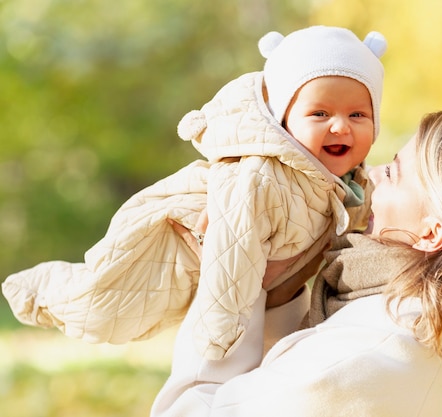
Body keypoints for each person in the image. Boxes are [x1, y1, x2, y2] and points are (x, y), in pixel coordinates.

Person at [151, 110, 442, 417]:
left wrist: (224, 284)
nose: (373, 174)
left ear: (432, 231)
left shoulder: (363, 356)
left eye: (395, 174)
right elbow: (294, 373)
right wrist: (277, 291)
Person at [1, 26, 387, 360]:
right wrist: (218, 336)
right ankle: (39, 289)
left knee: (125, 318)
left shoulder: (349, 184)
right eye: (320, 114)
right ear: (283, 120)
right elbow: (231, 250)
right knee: (101, 306)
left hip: (219, 283)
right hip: (170, 248)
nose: (340, 127)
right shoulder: (260, 177)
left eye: (358, 115)